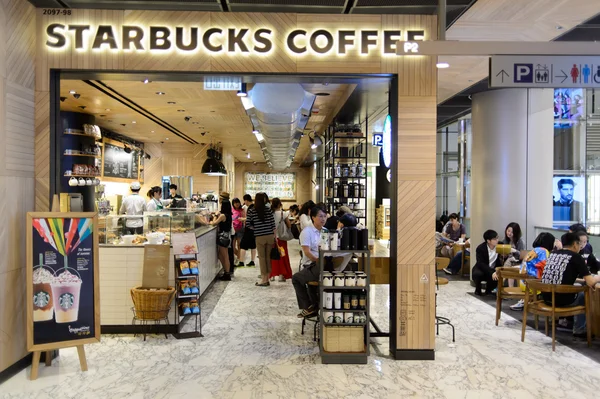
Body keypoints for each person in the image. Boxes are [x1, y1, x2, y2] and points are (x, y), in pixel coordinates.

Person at [540, 232, 600, 338]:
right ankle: (579, 329)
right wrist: (597, 277)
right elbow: (590, 282)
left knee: (578, 289)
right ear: (575, 244)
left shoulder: (553, 254)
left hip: (546, 297)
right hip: (561, 300)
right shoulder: (576, 257)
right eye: (579, 244)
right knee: (584, 293)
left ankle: (568, 323)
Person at [292, 206, 327, 318]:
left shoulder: (326, 232)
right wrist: (318, 261)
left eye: (325, 216)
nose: (323, 219)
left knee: (297, 278)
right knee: (296, 278)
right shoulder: (307, 232)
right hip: (311, 264)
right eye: (320, 216)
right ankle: (309, 306)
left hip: (323, 264)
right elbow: (306, 252)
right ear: (313, 217)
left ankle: (310, 307)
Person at [509, 232, 556, 311]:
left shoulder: (534, 251)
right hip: (532, 285)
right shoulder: (544, 252)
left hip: (523, 282)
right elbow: (546, 268)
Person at [246, 192, 276, 286]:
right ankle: (268, 278)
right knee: (268, 258)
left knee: (262, 258)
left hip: (259, 237)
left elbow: (248, 224)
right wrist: (275, 236)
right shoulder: (268, 209)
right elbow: (273, 224)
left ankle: (264, 280)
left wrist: (255, 228)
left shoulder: (252, 210)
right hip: (270, 236)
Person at [210, 192, 233, 281]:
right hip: (226, 235)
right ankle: (226, 272)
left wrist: (215, 215)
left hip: (224, 236)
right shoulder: (227, 214)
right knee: (221, 255)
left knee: (224, 255)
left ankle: (227, 274)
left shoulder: (223, 215)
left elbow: (213, 223)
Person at [472, 230, 501, 296]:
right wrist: (492, 272)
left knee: (497, 275)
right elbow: (481, 263)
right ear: (488, 241)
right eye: (494, 239)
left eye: (497, 238)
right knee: (477, 274)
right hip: (482, 268)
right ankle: (478, 289)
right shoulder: (481, 248)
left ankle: (489, 290)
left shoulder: (500, 246)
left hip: (494, 268)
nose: (497, 240)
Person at [270, 198, 293, 282]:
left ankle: (272, 275)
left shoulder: (270, 214)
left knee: (272, 255)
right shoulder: (283, 214)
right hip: (281, 239)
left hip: (272, 238)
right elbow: (289, 224)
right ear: (280, 204)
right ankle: (281, 275)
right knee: (282, 255)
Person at [238, 194, 256, 267]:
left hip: (249, 229)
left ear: (246, 200)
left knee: (243, 245)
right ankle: (252, 261)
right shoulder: (254, 207)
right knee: (253, 245)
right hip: (254, 229)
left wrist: (243, 219)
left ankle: (241, 262)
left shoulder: (251, 208)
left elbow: (250, 218)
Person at [231, 198, 245, 265]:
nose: (237, 204)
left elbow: (245, 219)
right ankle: (238, 256)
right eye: (235, 203)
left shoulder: (242, 210)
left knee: (239, 245)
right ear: (233, 204)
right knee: (232, 246)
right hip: (233, 229)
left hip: (240, 229)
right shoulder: (231, 210)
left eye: (238, 202)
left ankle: (239, 259)